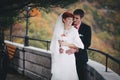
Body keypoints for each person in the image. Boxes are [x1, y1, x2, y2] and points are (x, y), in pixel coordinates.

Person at [50, 12, 84, 80]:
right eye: (69, 19)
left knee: (68, 74)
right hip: (59, 56)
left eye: (72, 19)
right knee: (59, 75)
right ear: (63, 20)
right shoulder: (59, 30)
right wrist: (59, 48)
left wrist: (67, 44)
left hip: (69, 56)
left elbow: (80, 45)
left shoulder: (74, 30)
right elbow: (54, 44)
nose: (71, 21)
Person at [73, 9, 91, 80]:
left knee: (80, 77)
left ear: (81, 18)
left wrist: (77, 49)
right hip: (69, 57)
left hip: (81, 58)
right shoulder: (69, 26)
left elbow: (87, 43)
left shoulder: (86, 28)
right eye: (73, 17)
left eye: (76, 18)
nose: (74, 20)